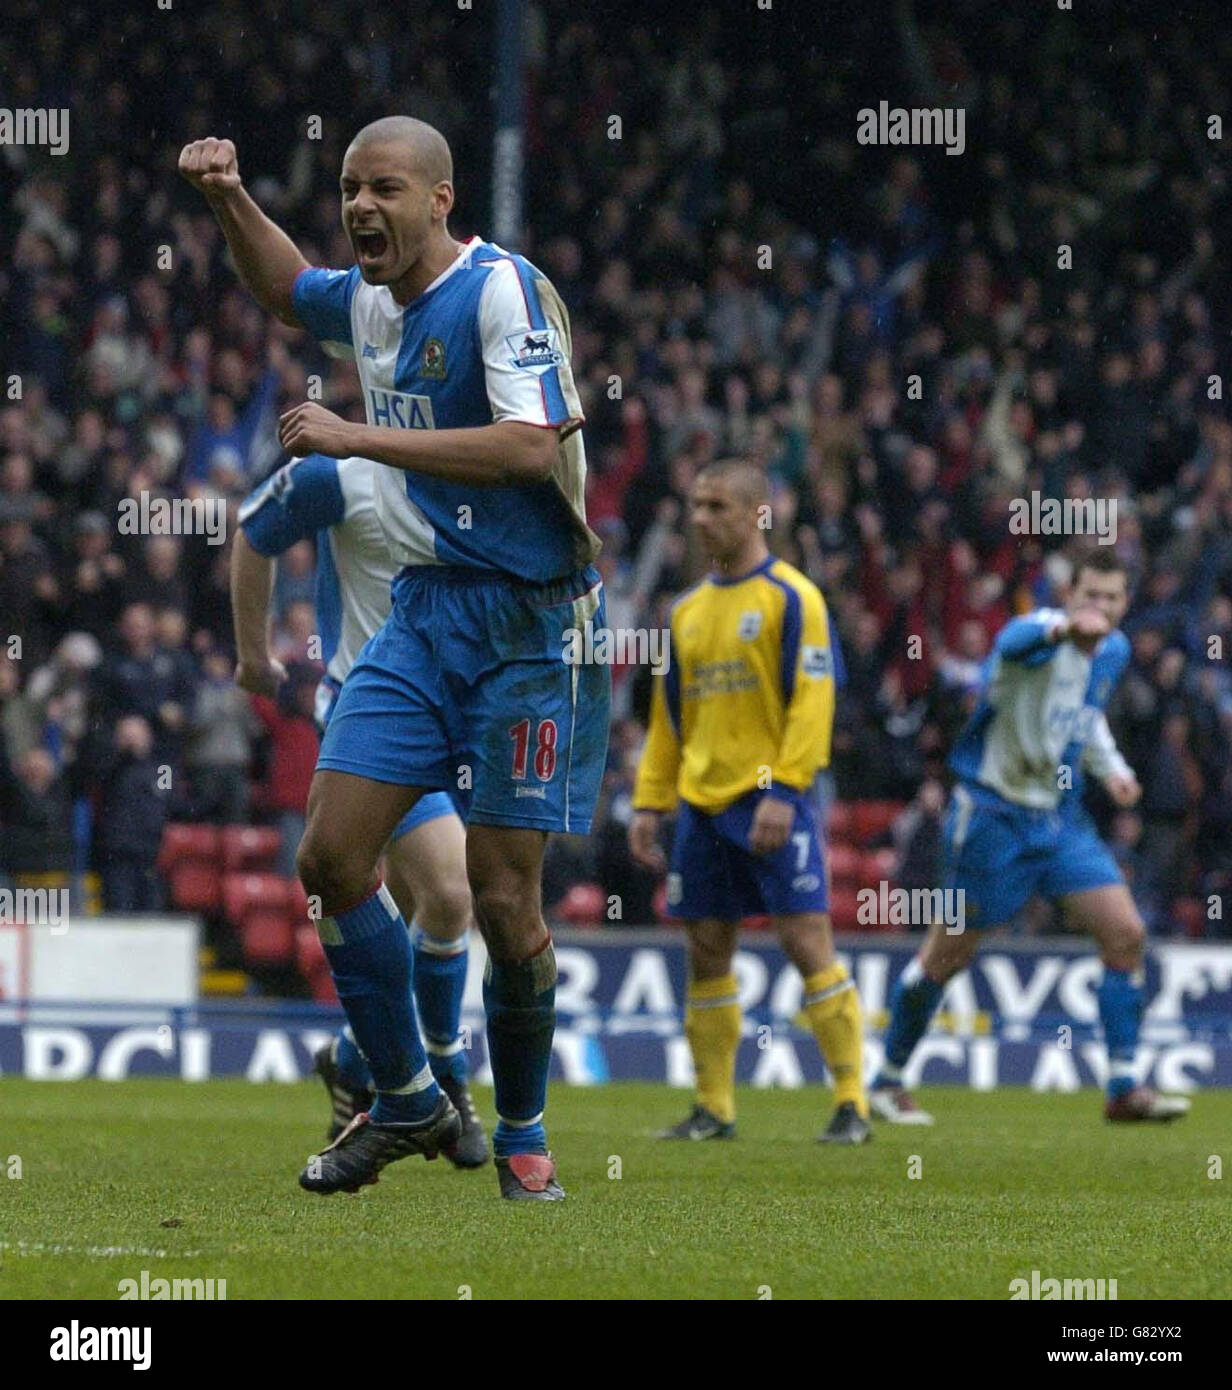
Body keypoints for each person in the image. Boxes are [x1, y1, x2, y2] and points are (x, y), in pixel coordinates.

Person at [180, 116, 609, 1200]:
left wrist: (358, 434)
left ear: (439, 201)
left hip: (528, 623)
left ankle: (522, 1136)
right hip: (423, 616)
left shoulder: (498, 292)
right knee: (328, 858)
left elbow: (527, 444)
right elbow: (288, 289)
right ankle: (409, 1097)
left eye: (383, 189)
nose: (360, 206)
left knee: (504, 901)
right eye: (347, 188)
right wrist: (229, 195)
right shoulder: (368, 300)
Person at [869, 548, 1190, 1124]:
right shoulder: (1035, 638)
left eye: (1111, 598)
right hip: (990, 817)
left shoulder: (1113, 651)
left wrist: (1112, 769)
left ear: (1125, 604)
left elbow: (1084, 717)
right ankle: (888, 1079)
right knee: (949, 953)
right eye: (1089, 595)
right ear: (1070, 594)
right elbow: (1015, 643)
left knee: (1125, 933)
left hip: (1058, 821)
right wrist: (1066, 626)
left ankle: (1122, 1087)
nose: (1100, 608)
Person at [234, 452, 487, 1166]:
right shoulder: (339, 477)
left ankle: (353, 1057)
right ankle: (444, 1076)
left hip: (464, 710)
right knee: (448, 890)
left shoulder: (484, 469)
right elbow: (253, 529)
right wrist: (254, 657)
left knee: (420, 911)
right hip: (375, 707)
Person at [629, 458, 871, 1145]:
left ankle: (852, 1102)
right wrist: (650, 803)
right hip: (701, 806)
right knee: (706, 949)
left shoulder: (795, 599)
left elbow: (812, 702)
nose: (700, 518)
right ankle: (715, 1108)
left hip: (771, 799)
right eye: (696, 506)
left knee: (805, 939)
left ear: (757, 514)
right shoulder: (684, 612)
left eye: (716, 507)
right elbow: (668, 720)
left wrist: (787, 789)